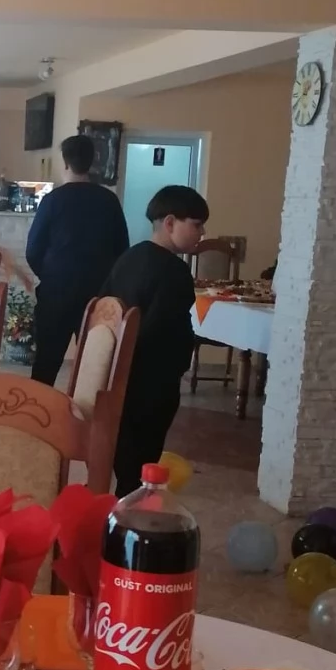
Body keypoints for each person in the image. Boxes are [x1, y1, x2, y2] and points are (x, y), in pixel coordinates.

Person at [102, 184, 209, 495]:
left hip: (117, 376)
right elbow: (167, 331)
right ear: (170, 222)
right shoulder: (174, 271)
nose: (202, 233)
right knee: (140, 462)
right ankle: (131, 511)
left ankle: (120, 505)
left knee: (124, 457)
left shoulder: (128, 257)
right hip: (151, 384)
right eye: (197, 224)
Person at [25, 135, 129, 385]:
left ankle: (39, 409)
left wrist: (50, 275)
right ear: (92, 162)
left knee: (46, 364)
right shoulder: (109, 200)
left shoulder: (52, 200)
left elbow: (33, 250)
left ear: (65, 163)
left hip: (57, 292)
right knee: (95, 367)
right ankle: (86, 408)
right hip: (98, 294)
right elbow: (122, 249)